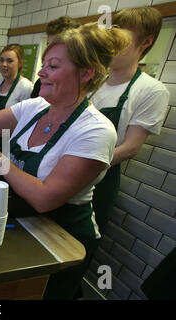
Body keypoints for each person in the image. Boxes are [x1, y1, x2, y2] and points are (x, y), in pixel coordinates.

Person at [0, 22, 130, 299]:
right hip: (25, 219)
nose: (41, 72)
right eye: (44, 64)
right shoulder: (36, 107)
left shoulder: (95, 131)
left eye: (53, 66)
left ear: (86, 73)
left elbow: (46, 198)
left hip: (62, 236)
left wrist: (2, 162)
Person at [90, 7, 170, 233]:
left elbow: (130, 148)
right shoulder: (95, 82)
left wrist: (79, 165)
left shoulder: (151, 90)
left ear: (145, 42)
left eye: (122, 36)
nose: (112, 42)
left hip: (101, 179)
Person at [31, 16, 81, 98]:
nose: (48, 52)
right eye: (48, 45)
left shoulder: (83, 90)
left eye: (55, 46)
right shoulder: (40, 84)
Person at [0, 44, 33, 113]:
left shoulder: (25, 87)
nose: (4, 64)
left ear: (20, 63)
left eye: (9, 61)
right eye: (1, 60)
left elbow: (27, 117)